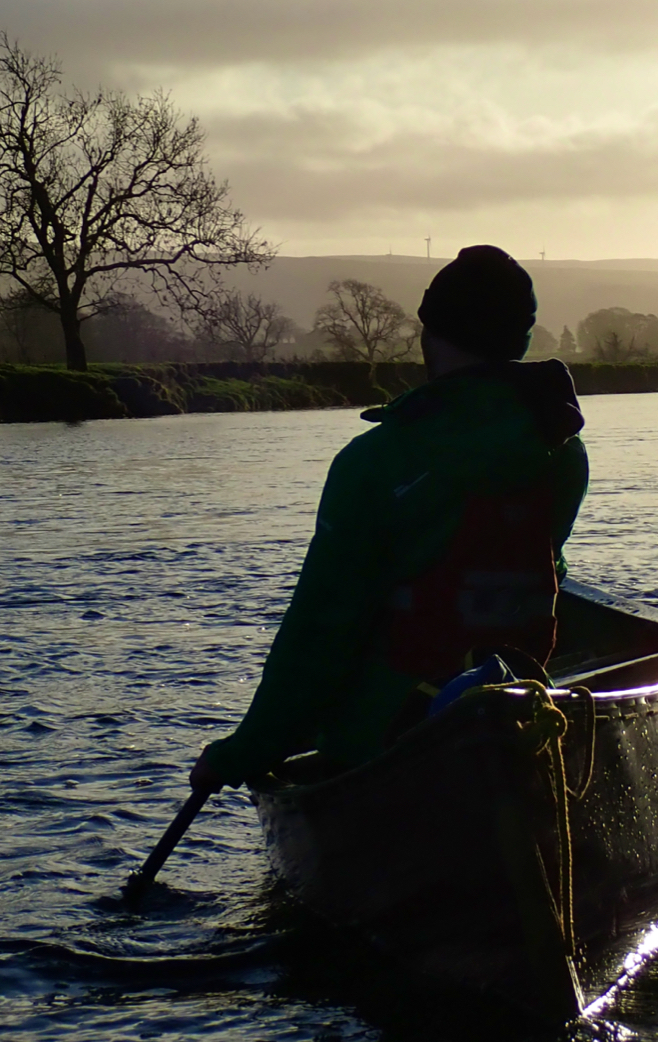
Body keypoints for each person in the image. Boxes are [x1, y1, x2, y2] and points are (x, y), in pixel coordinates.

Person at [190, 245, 588, 794]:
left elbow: (322, 627)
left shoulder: (373, 462)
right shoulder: (562, 451)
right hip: (523, 716)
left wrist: (246, 751)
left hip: (388, 737)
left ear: (432, 332)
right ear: (519, 341)